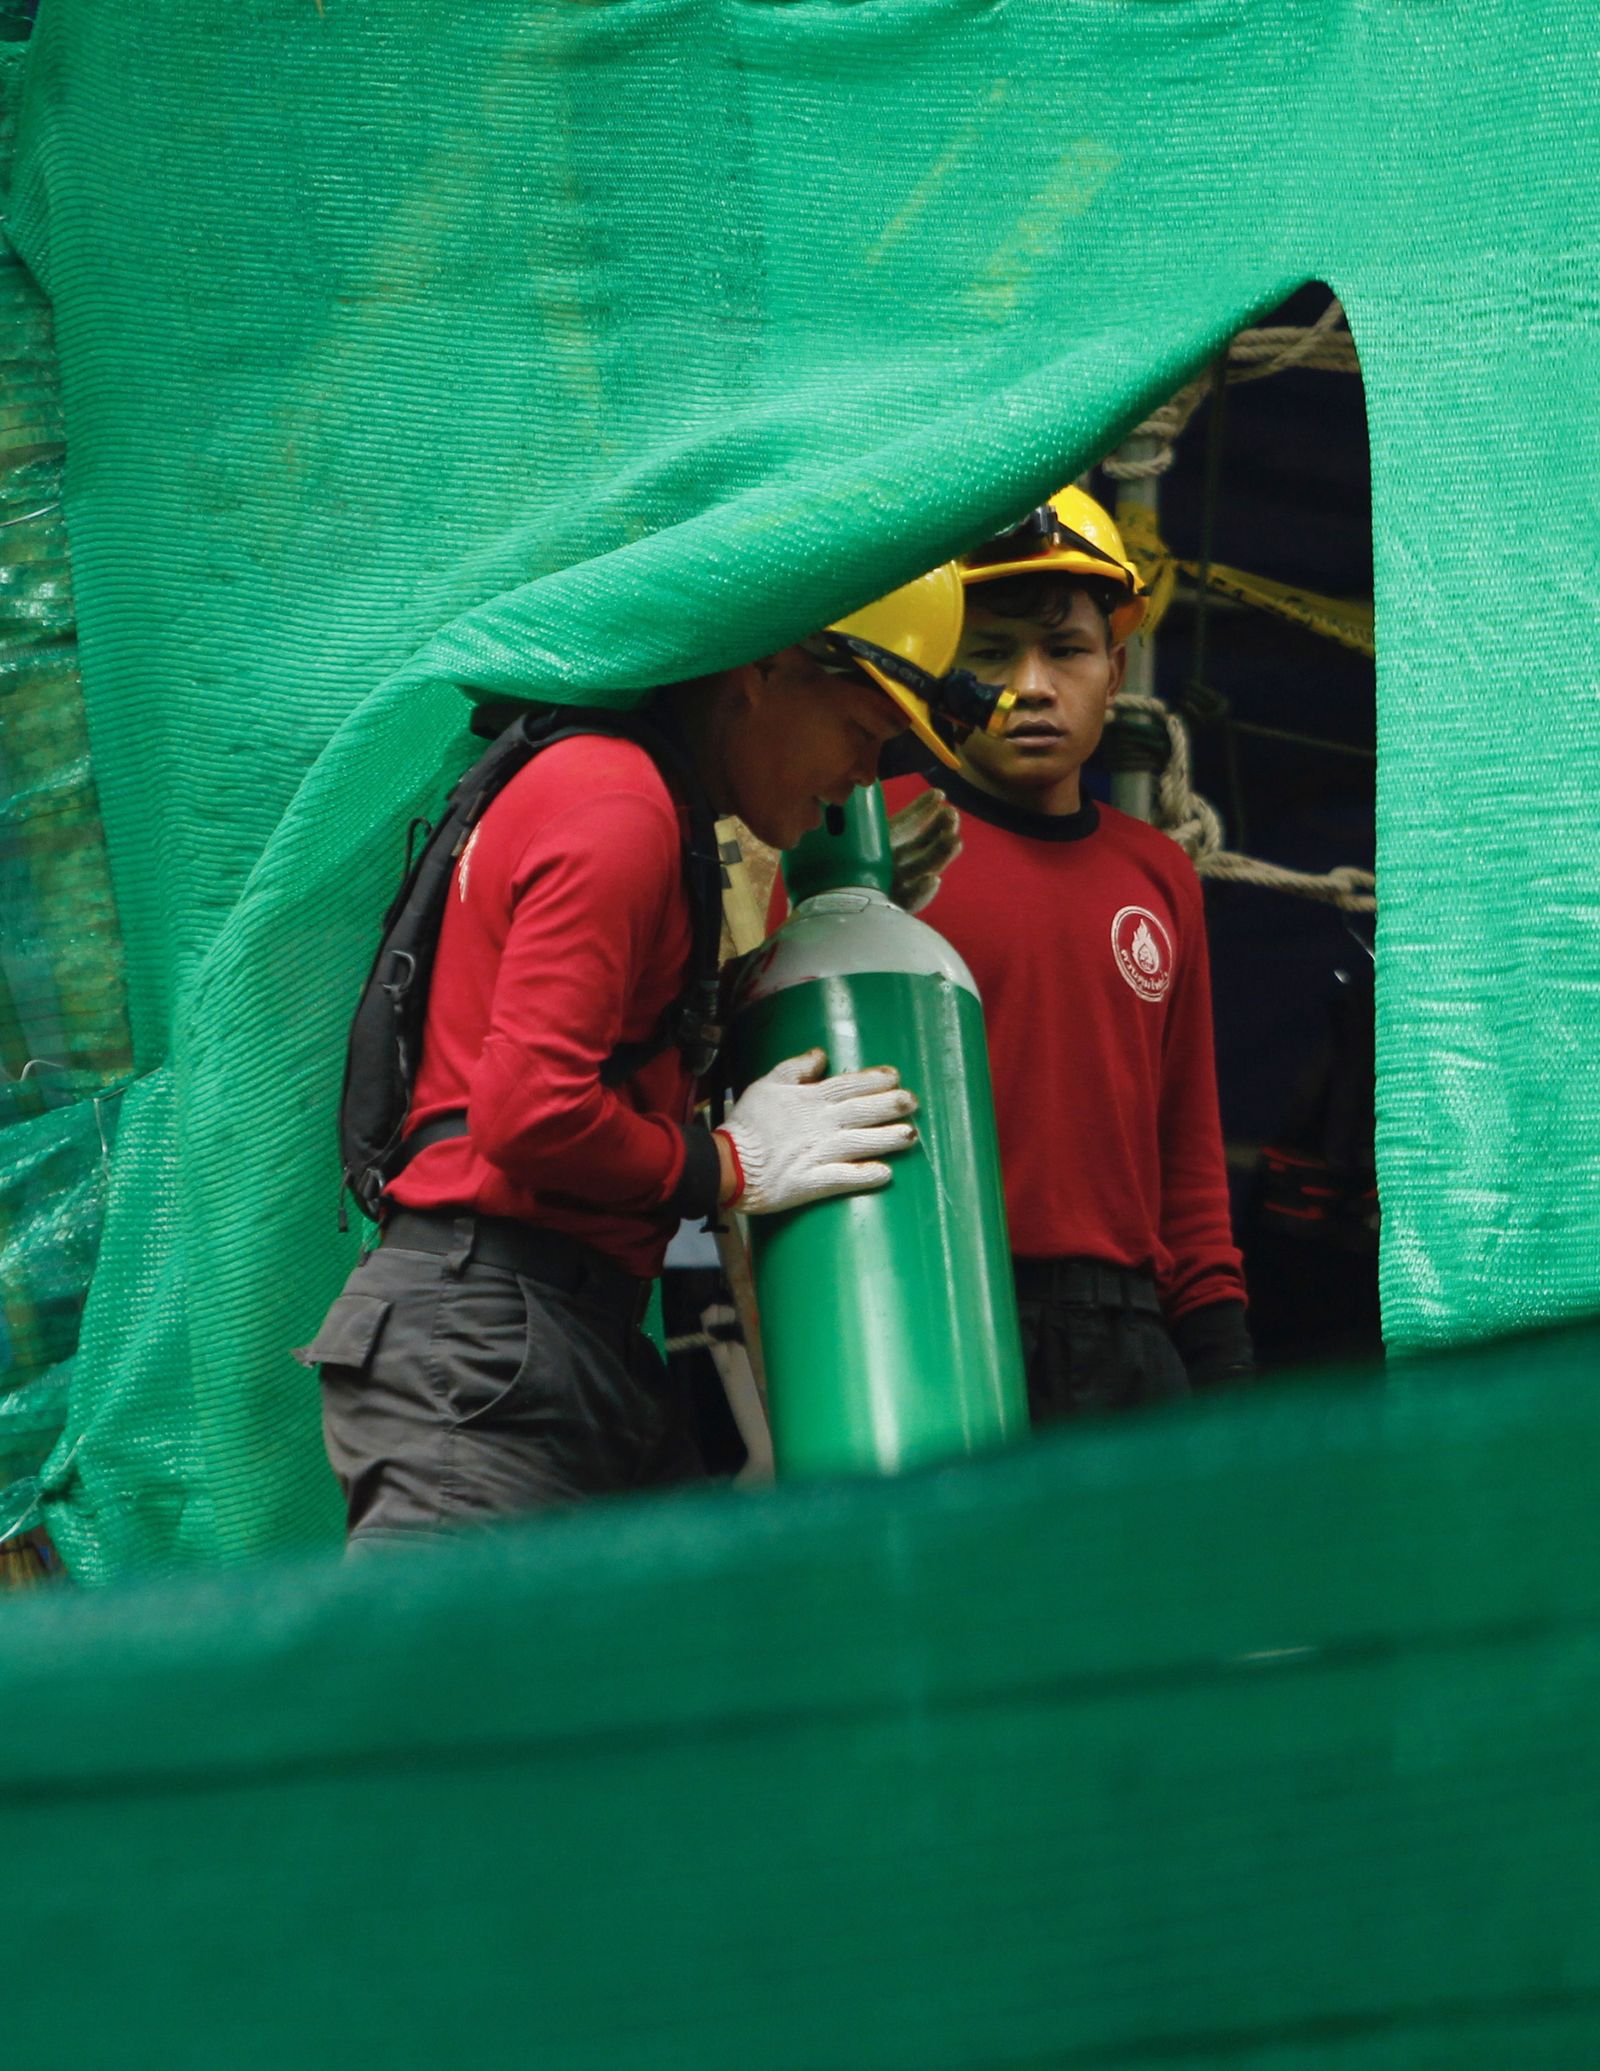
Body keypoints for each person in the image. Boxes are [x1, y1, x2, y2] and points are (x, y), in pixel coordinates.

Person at [303, 566, 1001, 1545]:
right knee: (438, 1696)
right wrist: (729, 1164)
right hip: (489, 1342)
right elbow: (528, 1112)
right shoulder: (617, 805)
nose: (859, 782)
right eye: (860, 733)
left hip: (561, 1342)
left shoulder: (633, 802)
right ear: (764, 668)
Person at [774, 490, 1253, 1419]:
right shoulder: (864, 833)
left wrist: (1222, 1358)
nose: (1032, 685)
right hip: (936, 1313)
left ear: (1115, 671)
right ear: (943, 671)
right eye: (991, 654)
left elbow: (1186, 1153)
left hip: (1132, 1339)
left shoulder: (1158, 873)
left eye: (1066, 651)